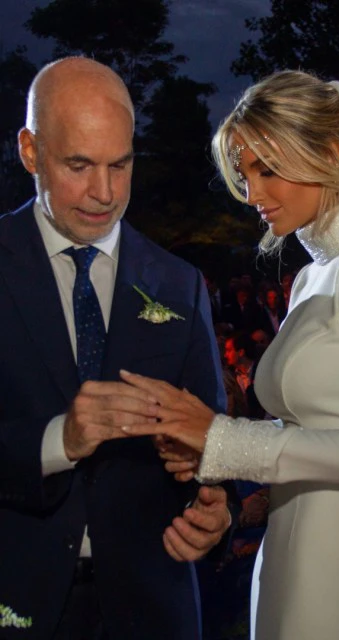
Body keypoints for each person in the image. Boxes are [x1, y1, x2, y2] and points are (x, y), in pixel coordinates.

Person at [121, 70, 339, 639]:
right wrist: (209, 450)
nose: (252, 194)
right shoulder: (314, 278)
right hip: (287, 537)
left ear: (329, 153)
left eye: (267, 169)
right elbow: (306, 430)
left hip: (338, 549)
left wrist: (224, 439)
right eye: (244, 174)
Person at [0, 57, 232, 640]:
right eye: (78, 165)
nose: (103, 193)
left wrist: (215, 507)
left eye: (120, 165)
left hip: (153, 607)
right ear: (30, 151)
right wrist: (59, 440)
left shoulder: (179, 283)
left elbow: (212, 435)